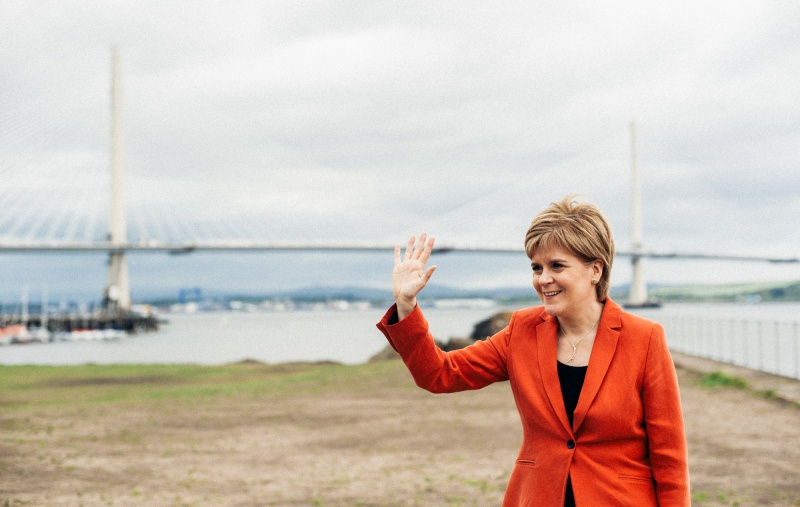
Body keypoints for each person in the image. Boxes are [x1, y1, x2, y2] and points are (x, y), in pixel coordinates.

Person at [376, 195, 690, 506]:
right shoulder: (522, 331)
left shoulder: (645, 339)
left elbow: (669, 457)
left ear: (596, 269)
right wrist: (407, 304)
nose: (543, 279)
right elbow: (440, 374)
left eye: (557, 266)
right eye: (536, 267)